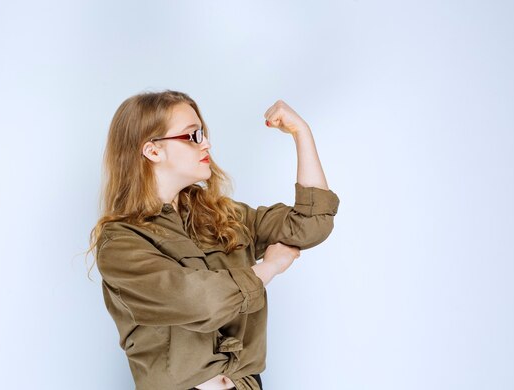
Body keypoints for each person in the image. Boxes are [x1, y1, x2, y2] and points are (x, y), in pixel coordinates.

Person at [89, 90, 339, 390]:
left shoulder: (222, 215)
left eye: (203, 133)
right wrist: (269, 268)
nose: (205, 143)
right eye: (192, 136)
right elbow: (198, 301)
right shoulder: (120, 243)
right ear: (153, 151)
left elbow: (312, 223)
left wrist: (302, 133)